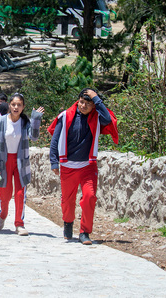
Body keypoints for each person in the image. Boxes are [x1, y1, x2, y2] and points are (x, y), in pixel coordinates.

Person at [48, 88, 118, 245]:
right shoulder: (65, 116)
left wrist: (97, 98)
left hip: (88, 166)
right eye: (81, 102)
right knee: (67, 200)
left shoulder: (97, 117)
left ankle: (84, 232)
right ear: (77, 101)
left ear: (93, 106)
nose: (83, 106)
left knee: (90, 197)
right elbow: (55, 140)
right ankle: (68, 223)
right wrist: (54, 161)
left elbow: (108, 119)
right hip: (68, 166)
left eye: (88, 103)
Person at [0, 93, 44, 236]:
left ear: (23, 107)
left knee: (20, 193)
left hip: (21, 161)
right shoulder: (1, 121)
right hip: (4, 161)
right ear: (9, 105)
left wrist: (35, 119)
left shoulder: (25, 122)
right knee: (5, 193)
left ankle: (19, 224)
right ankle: (3, 213)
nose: (16, 107)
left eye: (19, 105)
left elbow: (33, 136)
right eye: (13, 104)